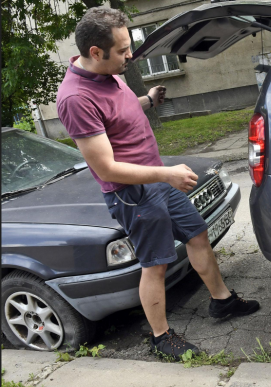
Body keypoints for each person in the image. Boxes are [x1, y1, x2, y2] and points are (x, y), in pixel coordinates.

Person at [56, 7, 259, 359]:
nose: (129, 56)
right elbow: (106, 169)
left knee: (197, 234)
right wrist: (167, 173)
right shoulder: (75, 98)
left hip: (156, 178)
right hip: (133, 193)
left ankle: (222, 301)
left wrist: (147, 100)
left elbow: (117, 113)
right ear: (95, 52)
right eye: (122, 51)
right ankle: (160, 337)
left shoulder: (108, 73)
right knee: (156, 263)